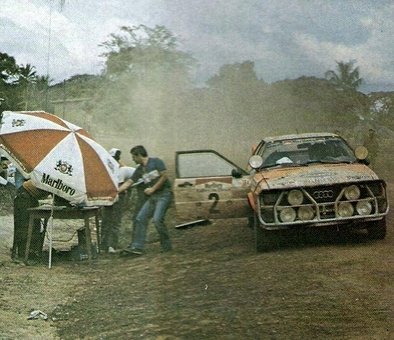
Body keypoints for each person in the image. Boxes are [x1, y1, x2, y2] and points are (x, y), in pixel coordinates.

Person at [119, 145, 172, 255]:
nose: (133, 159)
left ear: (139, 155)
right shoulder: (140, 169)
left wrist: (153, 188)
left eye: (133, 157)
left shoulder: (156, 162)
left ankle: (166, 245)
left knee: (157, 220)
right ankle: (138, 247)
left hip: (164, 195)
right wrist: (116, 191)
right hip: (153, 197)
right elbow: (129, 182)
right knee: (140, 218)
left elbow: (164, 176)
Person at [100, 148, 135, 254]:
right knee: (106, 221)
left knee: (115, 221)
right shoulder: (106, 169)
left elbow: (120, 186)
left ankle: (112, 245)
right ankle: (103, 245)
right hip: (108, 195)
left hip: (119, 195)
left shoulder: (121, 171)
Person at [12, 179, 49, 260]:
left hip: (31, 195)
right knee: (24, 225)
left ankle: (31, 251)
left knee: (35, 225)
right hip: (25, 194)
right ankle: (23, 253)